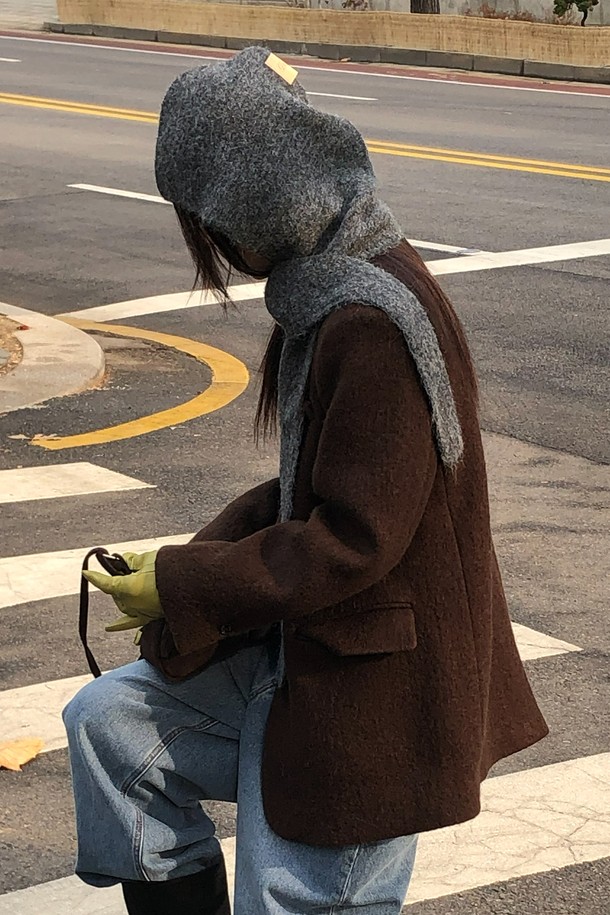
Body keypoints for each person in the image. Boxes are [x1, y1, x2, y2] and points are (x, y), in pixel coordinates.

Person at [63, 47, 549, 915]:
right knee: (112, 727)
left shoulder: (371, 320)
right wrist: (181, 570)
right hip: (311, 651)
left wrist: (186, 583)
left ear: (250, 207)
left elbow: (349, 539)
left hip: (374, 690)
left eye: (208, 226)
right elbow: (309, 491)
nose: (215, 249)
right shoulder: (332, 284)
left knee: (290, 897)